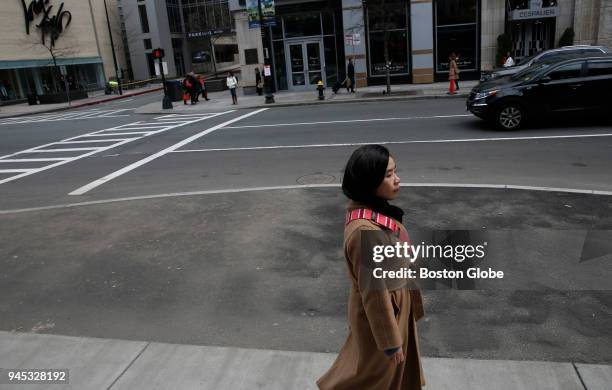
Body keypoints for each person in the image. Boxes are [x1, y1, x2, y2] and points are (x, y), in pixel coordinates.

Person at [317, 145, 425, 390]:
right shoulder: (365, 230)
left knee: (391, 377)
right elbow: (374, 292)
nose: (397, 180)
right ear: (369, 182)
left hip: (393, 308)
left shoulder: (373, 211)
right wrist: (389, 341)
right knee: (374, 379)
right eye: (388, 175)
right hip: (384, 316)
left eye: (395, 172)